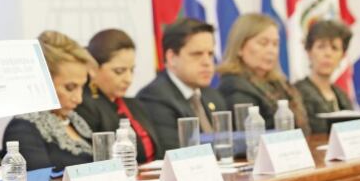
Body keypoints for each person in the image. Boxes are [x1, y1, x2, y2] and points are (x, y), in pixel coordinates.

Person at [1, 31, 95, 171]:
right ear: (42, 81)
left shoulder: (78, 121)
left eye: (82, 87)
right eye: (70, 87)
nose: (79, 99)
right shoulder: (23, 130)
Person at [137, 18, 227, 153]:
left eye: (210, 54)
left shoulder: (213, 95)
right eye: (197, 54)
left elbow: (230, 145)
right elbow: (176, 152)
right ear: (172, 57)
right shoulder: (155, 97)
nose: (207, 62)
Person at [76, 28, 162, 162]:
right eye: (119, 71)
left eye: (131, 70)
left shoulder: (134, 104)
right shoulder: (84, 106)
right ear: (93, 69)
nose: (128, 79)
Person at [217, 13, 310, 134]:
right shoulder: (234, 86)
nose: (271, 50)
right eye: (263, 43)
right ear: (240, 47)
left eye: (275, 44)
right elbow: (253, 136)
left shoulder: (280, 84)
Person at [294, 20, 355, 134]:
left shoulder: (341, 94)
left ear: (342, 56)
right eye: (321, 47)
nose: (328, 54)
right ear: (309, 51)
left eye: (334, 48)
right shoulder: (296, 93)